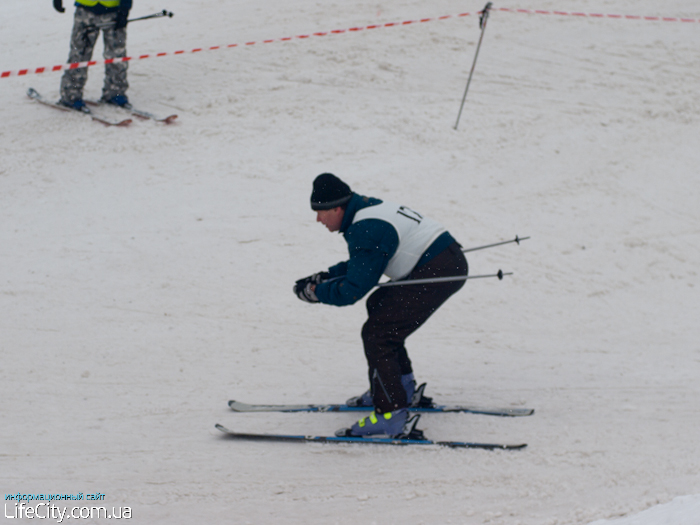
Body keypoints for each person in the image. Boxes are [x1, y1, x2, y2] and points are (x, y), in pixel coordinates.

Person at [294, 173, 468, 438]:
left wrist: (317, 293)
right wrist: (326, 276)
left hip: (438, 269)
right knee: (380, 305)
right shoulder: (364, 210)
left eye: (321, 212)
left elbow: (354, 289)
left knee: (379, 333)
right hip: (442, 259)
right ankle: (400, 387)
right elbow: (365, 262)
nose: (318, 219)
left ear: (337, 208)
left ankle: (391, 413)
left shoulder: (366, 227)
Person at [53, 0, 132, 110]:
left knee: (117, 55)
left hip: (114, 11)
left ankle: (115, 93)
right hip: (85, 11)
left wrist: (125, 9)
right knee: (79, 55)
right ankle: (71, 95)